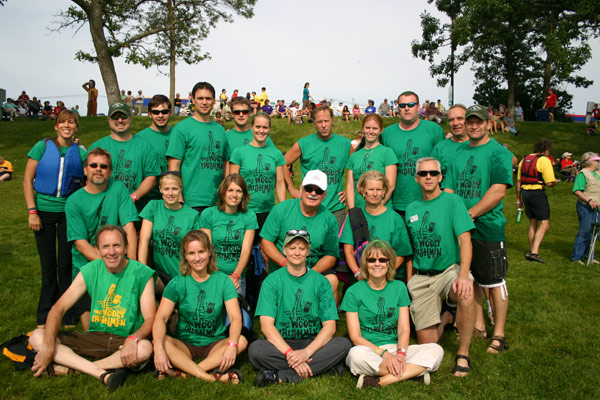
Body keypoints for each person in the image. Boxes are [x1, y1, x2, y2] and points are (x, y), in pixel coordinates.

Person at [30, 225, 155, 393]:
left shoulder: (142, 273)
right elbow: (58, 308)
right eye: (105, 246)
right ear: (97, 250)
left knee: (145, 348)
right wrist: (48, 347)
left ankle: (72, 369)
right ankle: (100, 371)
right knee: (37, 336)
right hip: (94, 337)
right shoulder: (90, 270)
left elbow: (150, 319)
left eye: (116, 245)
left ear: (126, 247)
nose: (111, 252)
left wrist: (133, 339)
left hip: (124, 340)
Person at [444, 104, 514, 355]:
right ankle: (478, 326)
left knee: (494, 281)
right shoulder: (458, 153)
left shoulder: (498, 152)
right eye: (470, 122)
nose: (473, 126)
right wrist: (453, 216)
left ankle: (499, 334)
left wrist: (469, 215)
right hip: (462, 228)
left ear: (488, 124)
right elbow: (449, 189)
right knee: (470, 278)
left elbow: (497, 191)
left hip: (488, 225)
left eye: (479, 122)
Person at [248, 230, 351, 386]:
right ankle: (323, 366)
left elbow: (330, 327)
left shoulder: (321, 282)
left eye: (302, 248)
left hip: (312, 342)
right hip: (281, 342)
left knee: (343, 344)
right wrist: (289, 353)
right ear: (284, 250)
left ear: (308, 252)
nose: (297, 252)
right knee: (256, 350)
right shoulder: (271, 281)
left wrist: (306, 353)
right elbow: (266, 326)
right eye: (292, 248)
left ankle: (281, 376)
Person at [406, 157, 477, 377]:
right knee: (428, 345)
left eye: (433, 173)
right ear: (416, 178)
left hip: (448, 271)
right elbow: (410, 250)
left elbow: (465, 239)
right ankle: (447, 317)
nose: (428, 177)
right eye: (423, 173)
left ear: (440, 177)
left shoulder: (452, 201)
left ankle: (463, 353)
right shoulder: (411, 209)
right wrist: (410, 280)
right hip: (422, 277)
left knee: (466, 292)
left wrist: (463, 275)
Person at [342, 240, 444, 388]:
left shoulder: (399, 287)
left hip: (396, 347)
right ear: (365, 263)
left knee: (436, 350)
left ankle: (379, 381)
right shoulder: (353, 291)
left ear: (389, 263)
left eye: (382, 260)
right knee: (355, 356)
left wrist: (401, 355)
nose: (377, 264)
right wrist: (385, 355)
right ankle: (413, 373)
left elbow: (404, 329)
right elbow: (356, 337)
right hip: (369, 349)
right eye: (372, 260)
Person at [152, 230, 246, 382]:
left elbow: (235, 318)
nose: (197, 258)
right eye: (191, 253)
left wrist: (231, 345)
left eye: (201, 252)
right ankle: (210, 376)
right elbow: (161, 318)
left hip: (215, 343)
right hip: (185, 344)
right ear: (185, 256)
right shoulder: (177, 282)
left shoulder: (223, 281)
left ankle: (186, 373)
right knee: (161, 341)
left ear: (209, 252)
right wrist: (158, 349)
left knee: (240, 341)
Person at [23, 110, 87, 327]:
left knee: (66, 264)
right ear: (56, 126)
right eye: (63, 122)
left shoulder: (81, 152)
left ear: (76, 127)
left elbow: (91, 176)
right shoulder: (41, 147)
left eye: (71, 122)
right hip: (43, 213)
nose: (67, 126)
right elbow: (27, 180)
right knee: (48, 265)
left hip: (69, 212)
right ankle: (44, 314)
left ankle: (67, 313)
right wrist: (32, 211)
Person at [66, 148, 139, 329]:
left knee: (129, 322)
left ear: (110, 171)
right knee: (92, 330)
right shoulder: (73, 201)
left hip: (119, 261)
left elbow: (129, 228)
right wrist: (110, 265)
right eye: (93, 165)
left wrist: (132, 267)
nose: (98, 169)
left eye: (103, 166)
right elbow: (80, 244)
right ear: (85, 170)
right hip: (88, 268)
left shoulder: (118, 188)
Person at [261, 170, 340, 299]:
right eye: (309, 189)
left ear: (324, 195)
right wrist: (285, 264)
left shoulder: (329, 219)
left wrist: (308, 274)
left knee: (332, 280)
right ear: (301, 189)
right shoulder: (282, 209)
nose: (313, 193)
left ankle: (327, 313)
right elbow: (266, 242)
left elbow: (331, 256)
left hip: (312, 268)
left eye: (318, 191)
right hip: (283, 268)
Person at [167, 82, 230, 215]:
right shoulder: (182, 129)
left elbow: (225, 163)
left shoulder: (220, 130)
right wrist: (179, 199)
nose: (204, 102)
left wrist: (227, 194)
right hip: (191, 202)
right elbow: (173, 165)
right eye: (200, 98)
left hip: (217, 201)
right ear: (193, 100)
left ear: (214, 101)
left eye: (208, 98)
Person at [284, 105, 352, 225]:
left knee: (335, 237)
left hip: (336, 208)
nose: (323, 125)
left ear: (332, 121)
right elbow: (282, 164)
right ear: (314, 122)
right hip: (309, 206)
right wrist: (292, 189)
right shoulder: (303, 144)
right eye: (319, 122)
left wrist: (351, 191)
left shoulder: (346, 144)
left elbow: (358, 168)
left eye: (326, 121)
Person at [382, 91, 445, 217]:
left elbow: (443, 165)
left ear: (418, 107)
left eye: (411, 104)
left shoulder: (434, 130)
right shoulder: (387, 133)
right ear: (398, 108)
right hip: (396, 203)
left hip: (427, 202)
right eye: (402, 105)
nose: (407, 108)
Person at [89, 102, 161, 212]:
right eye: (115, 117)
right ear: (109, 119)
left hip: (136, 209)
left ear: (130, 118)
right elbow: (88, 179)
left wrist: (132, 198)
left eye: (123, 116)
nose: (120, 120)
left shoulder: (145, 146)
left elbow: (151, 178)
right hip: (103, 209)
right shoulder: (97, 147)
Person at [341, 170, 411, 279]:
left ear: (384, 191)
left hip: (387, 276)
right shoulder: (354, 216)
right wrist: (357, 273)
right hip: (361, 277)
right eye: (371, 189)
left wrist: (383, 274)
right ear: (363, 191)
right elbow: (348, 250)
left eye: (378, 190)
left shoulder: (394, 218)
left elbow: (401, 254)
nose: (375, 194)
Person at [138, 174, 201, 287]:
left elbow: (198, 249)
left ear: (181, 189)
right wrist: (143, 270)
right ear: (160, 189)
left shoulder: (192, 215)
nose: (170, 193)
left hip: (184, 274)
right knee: (148, 285)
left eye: (174, 189)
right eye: (166, 189)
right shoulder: (153, 206)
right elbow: (144, 240)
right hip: (161, 274)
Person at [200, 174, 258, 296]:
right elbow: (207, 248)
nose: (234, 195)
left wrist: (235, 275)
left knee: (237, 307)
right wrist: (215, 273)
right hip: (212, 273)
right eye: (230, 190)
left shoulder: (249, 216)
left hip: (237, 277)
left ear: (244, 195)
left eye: (239, 191)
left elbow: (246, 251)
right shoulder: (209, 214)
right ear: (223, 192)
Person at [229, 112, 286, 233]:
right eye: (258, 127)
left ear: (269, 129)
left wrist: (282, 210)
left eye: (265, 127)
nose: (261, 131)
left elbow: (280, 184)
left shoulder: (276, 154)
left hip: (267, 211)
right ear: (251, 127)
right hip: (244, 211)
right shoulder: (239, 152)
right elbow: (232, 184)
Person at [516, 138, 556, 264]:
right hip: (537, 193)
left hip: (525, 193)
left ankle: (532, 249)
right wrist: (554, 182)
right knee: (545, 223)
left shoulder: (524, 159)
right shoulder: (544, 160)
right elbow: (549, 182)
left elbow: (519, 181)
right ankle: (534, 252)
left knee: (533, 222)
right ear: (546, 150)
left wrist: (518, 198)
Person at [346, 114, 397, 209]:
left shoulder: (387, 153)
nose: (371, 131)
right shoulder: (354, 156)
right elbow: (350, 186)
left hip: (381, 209)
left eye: (375, 128)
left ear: (381, 130)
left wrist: (377, 208)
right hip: (359, 209)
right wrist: (352, 210)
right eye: (368, 128)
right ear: (362, 129)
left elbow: (390, 186)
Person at [570, 152, 600, 264]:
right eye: (596, 160)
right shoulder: (583, 174)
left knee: (594, 233)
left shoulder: (597, 173)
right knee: (585, 232)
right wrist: (589, 201)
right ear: (590, 162)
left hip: (597, 209)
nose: (598, 162)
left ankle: (590, 256)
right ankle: (577, 257)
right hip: (586, 207)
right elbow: (577, 191)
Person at [431, 104, 470, 183]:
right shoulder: (440, 148)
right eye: (451, 120)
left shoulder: (479, 145)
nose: (455, 123)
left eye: (460, 118)